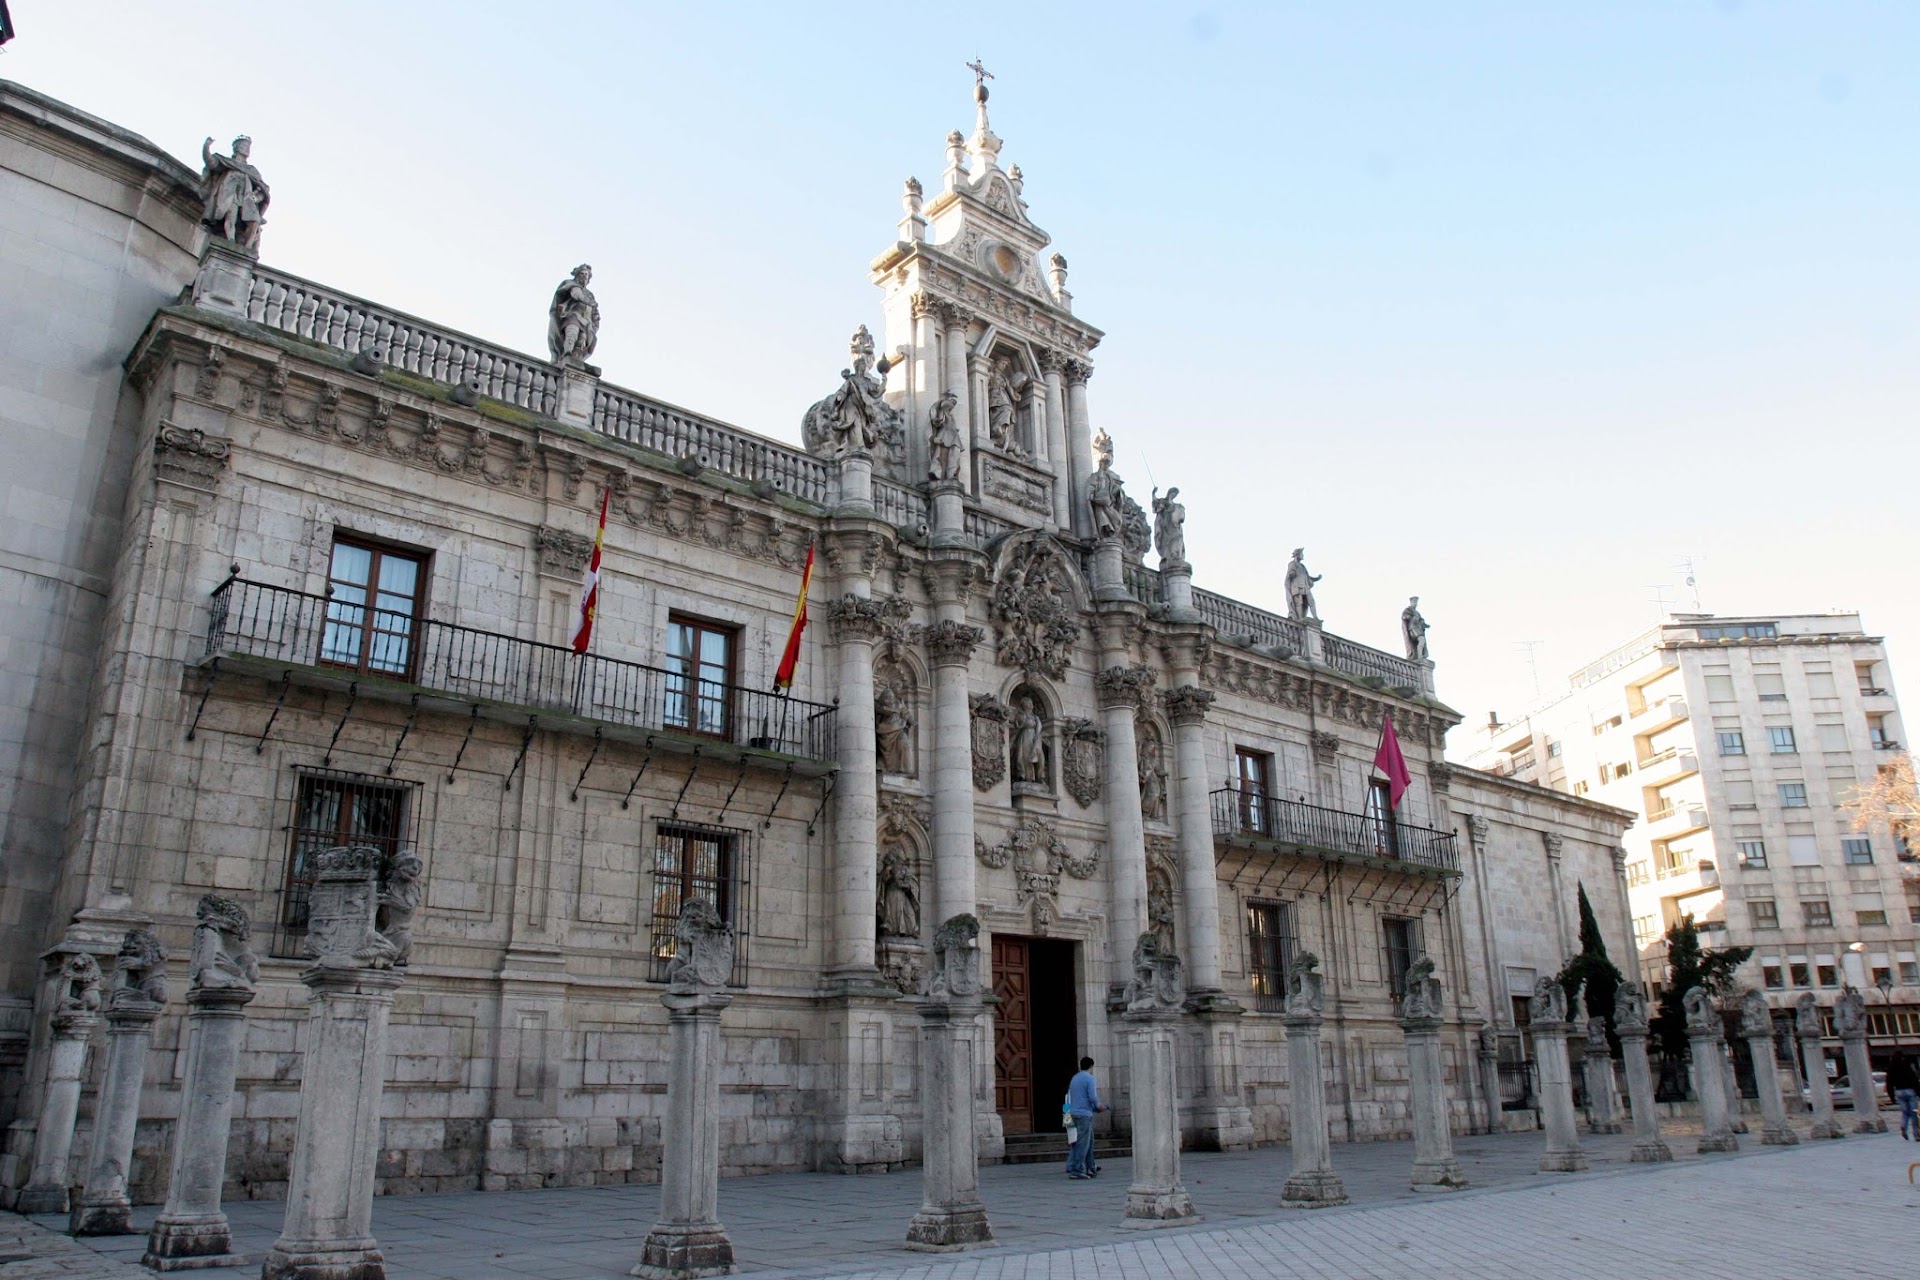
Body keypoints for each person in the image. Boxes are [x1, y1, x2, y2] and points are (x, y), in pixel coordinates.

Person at [1065, 1055, 1106, 1179]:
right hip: (1084, 1115)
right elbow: (1092, 1096)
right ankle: (1077, 1170)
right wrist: (1099, 1106)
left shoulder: (1075, 1078)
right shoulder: (1090, 1078)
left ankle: (1090, 1167)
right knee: (1083, 1143)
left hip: (1073, 1113)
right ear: (1091, 1066)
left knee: (1088, 1141)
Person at [1888, 1051, 1920, 1141]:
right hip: (1910, 1091)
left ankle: (1903, 1126)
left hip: (1899, 1091)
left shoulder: (1891, 1067)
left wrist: (1892, 1097)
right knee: (1914, 1113)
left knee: (1905, 1112)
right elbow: (1914, 1080)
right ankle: (1917, 1135)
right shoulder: (1907, 1066)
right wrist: (1918, 1092)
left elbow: (1889, 1083)